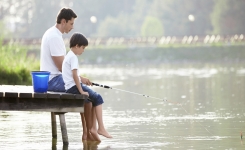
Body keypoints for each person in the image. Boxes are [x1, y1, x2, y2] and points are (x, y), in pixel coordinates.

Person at [40, 7, 98, 141]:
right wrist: (79, 79)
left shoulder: (52, 33)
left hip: (54, 78)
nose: (72, 27)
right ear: (64, 21)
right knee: (87, 94)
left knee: (86, 94)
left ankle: (87, 133)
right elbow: (61, 67)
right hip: (53, 81)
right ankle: (88, 134)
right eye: (71, 23)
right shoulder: (55, 37)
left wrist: (80, 78)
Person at [62, 32, 112, 140]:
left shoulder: (68, 56)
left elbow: (73, 76)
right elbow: (75, 76)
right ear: (77, 46)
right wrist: (81, 90)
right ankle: (101, 128)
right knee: (98, 97)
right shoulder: (73, 57)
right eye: (83, 48)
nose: (83, 50)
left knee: (90, 100)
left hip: (70, 88)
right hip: (74, 87)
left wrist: (82, 81)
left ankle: (92, 129)